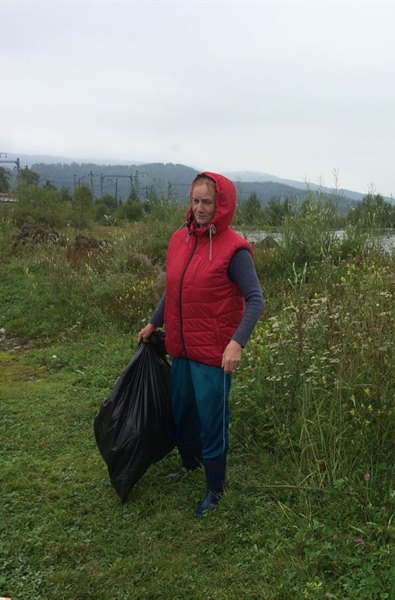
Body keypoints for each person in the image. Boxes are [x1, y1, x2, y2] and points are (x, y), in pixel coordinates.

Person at [139, 171, 264, 517]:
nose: (199, 208)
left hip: (213, 353)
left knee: (212, 421)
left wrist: (237, 343)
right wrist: (154, 322)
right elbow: (174, 289)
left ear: (221, 204)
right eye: (195, 200)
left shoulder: (235, 250)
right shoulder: (179, 239)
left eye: (207, 202)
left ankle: (215, 487)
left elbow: (255, 300)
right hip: (181, 347)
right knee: (182, 411)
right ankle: (189, 463)